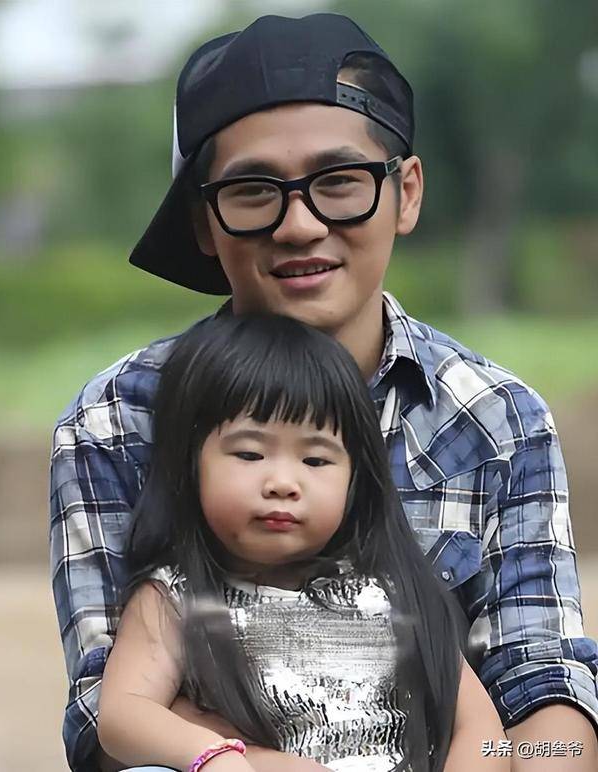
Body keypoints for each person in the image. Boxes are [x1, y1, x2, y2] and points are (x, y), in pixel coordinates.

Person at [50, 12, 598, 772]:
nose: (301, 225)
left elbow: (540, 682)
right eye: (253, 190)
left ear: (406, 193)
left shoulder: (497, 422)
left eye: (339, 182)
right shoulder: (117, 420)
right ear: (204, 221)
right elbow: (107, 718)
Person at [96, 311, 507, 772]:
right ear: (190, 464)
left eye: (315, 460)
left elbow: (480, 728)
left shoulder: (393, 590)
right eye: (250, 453)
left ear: (356, 479)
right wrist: (214, 756)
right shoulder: (176, 599)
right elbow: (123, 714)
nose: (282, 483)